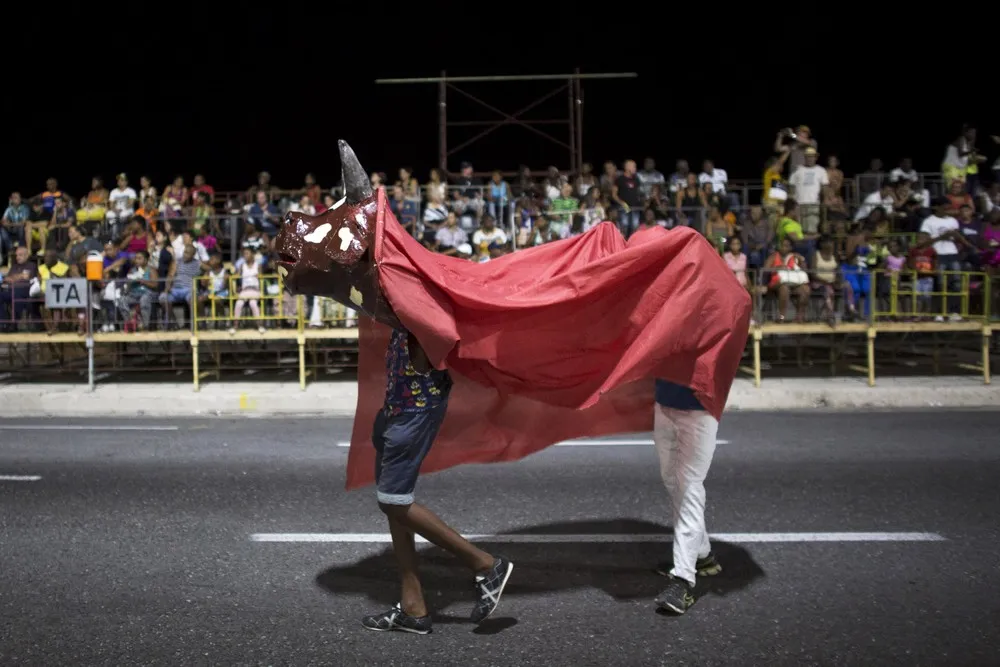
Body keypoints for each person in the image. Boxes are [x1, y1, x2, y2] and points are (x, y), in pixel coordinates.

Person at [361, 328, 513, 634]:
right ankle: (413, 608)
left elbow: (438, 337)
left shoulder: (419, 308)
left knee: (393, 500)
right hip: (396, 407)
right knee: (394, 501)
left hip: (412, 414)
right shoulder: (401, 304)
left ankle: (485, 565)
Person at [652, 379, 722, 615]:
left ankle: (682, 582)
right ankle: (702, 556)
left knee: (689, 487)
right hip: (664, 404)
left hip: (699, 410)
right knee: (673, 482)